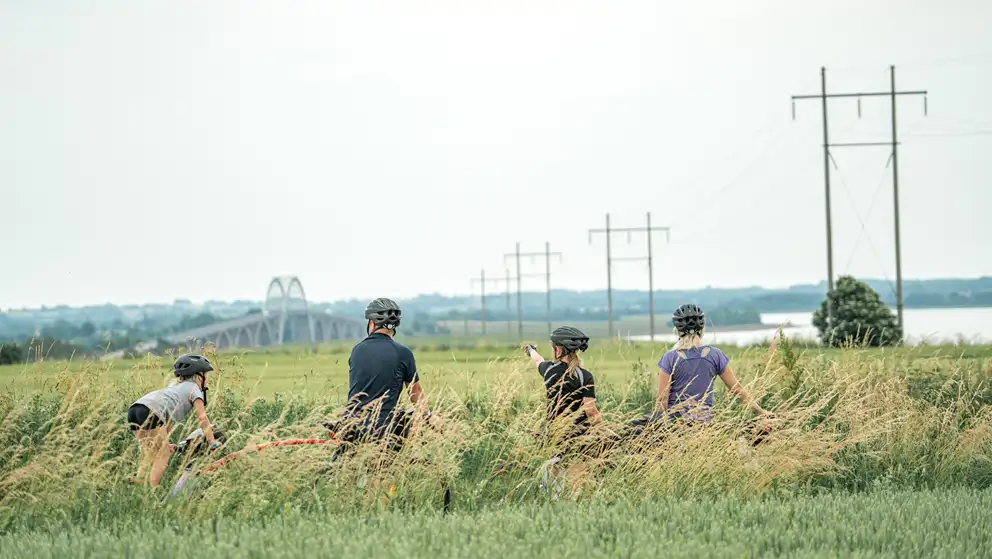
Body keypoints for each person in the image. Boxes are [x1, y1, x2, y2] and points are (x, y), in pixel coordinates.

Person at [337, 298, 433, 449]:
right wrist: (428, 417)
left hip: (351, 424)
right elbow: (415, 392)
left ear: (372, 323)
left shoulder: (357, 350)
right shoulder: (403, 353)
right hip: (384, 429)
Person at [655, 304, 772, 425]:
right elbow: (737, 389)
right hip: (704, 426)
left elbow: (662, 399)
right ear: (701, 328)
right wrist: (761, 412)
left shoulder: (670, 357)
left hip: (676, 425)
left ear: (677, 330)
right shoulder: (715, 355)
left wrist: (661, 427)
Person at [127, 353, 219, 487]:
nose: (207, 379)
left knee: (150, 453)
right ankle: (151, 492)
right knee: (163, 456)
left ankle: (139, 482)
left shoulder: (174, 387)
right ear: (199, 376)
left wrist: (166, 443)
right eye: (206, 375)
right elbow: (202, 417)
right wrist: (212, 441)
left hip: (135, 410)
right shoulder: (194, 389)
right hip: (152, 411)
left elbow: (165, 419)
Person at [524, 326, 603, 446]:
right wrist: (605, 433)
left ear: (559, 350)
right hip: (581, 438)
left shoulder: (549, 370)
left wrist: (531, 350)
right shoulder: (585, 376)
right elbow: (591, 411)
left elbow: (538, 360)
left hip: (555, 437)